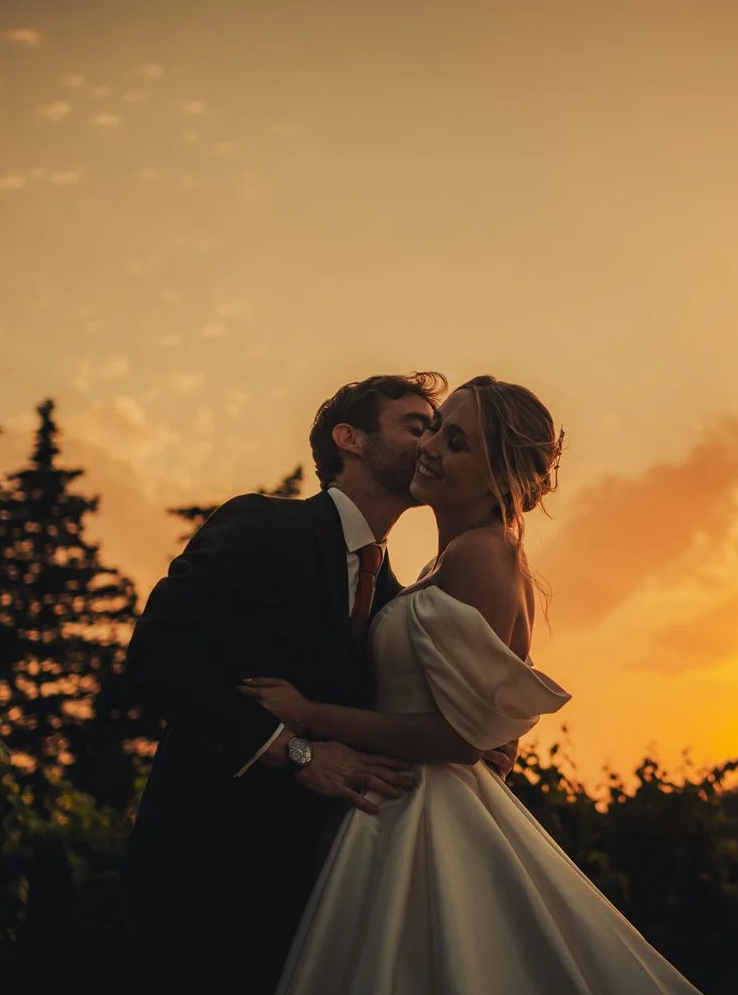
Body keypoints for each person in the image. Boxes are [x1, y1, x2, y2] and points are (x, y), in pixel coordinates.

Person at [239, 376, 704, 994]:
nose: (430, 446)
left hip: (424, 815)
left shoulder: (479, 558)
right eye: (434, 427)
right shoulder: (449, 559)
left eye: (455, 442)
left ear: (497, 479)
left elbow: (460, 739)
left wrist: (309, 714)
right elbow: (491, 725)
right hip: (396, 799)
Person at [120, 372, 517, 995]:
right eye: (418, 426)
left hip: (314, 888)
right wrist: (294, 748)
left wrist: (475, 734)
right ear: (350, 439)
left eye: (439, 431)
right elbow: (157, 657)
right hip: (199, 870)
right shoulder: (260, 525)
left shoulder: (396, 601)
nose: (429, 444)